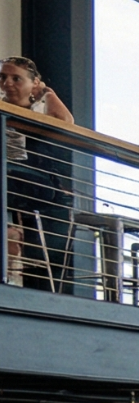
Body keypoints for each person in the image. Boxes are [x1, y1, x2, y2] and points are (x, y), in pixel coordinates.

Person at [1, 56, 77, 293]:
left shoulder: (40, 111)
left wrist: (47, 92)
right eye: (3, 77)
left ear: (33, 83)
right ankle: (10, 239)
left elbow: (67, 123)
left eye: (16, 78)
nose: (7, 83)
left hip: (34, 179)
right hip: (10, 178)